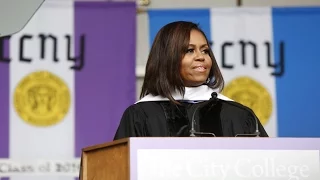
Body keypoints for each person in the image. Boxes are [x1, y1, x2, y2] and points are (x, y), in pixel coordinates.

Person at [113, 21, 268, 140]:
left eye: (205, 50)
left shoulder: (237, 114)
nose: (201, 57)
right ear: (167, 59)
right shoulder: (141, 115)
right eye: (189, 50)